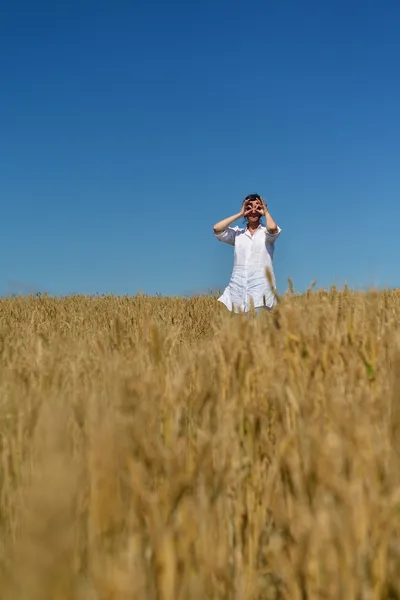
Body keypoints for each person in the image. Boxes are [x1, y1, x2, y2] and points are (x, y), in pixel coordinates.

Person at [213, 194, 281, 314]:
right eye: (249, 207)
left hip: (261, 291)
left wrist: (266, 212)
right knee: (237, 332)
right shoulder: (238, 233)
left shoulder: (266, 233)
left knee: (259, 331)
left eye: (257, 207)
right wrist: (240, 214)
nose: (253, 211)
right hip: (237, 292)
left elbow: (272, 227)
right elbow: (217, 229)